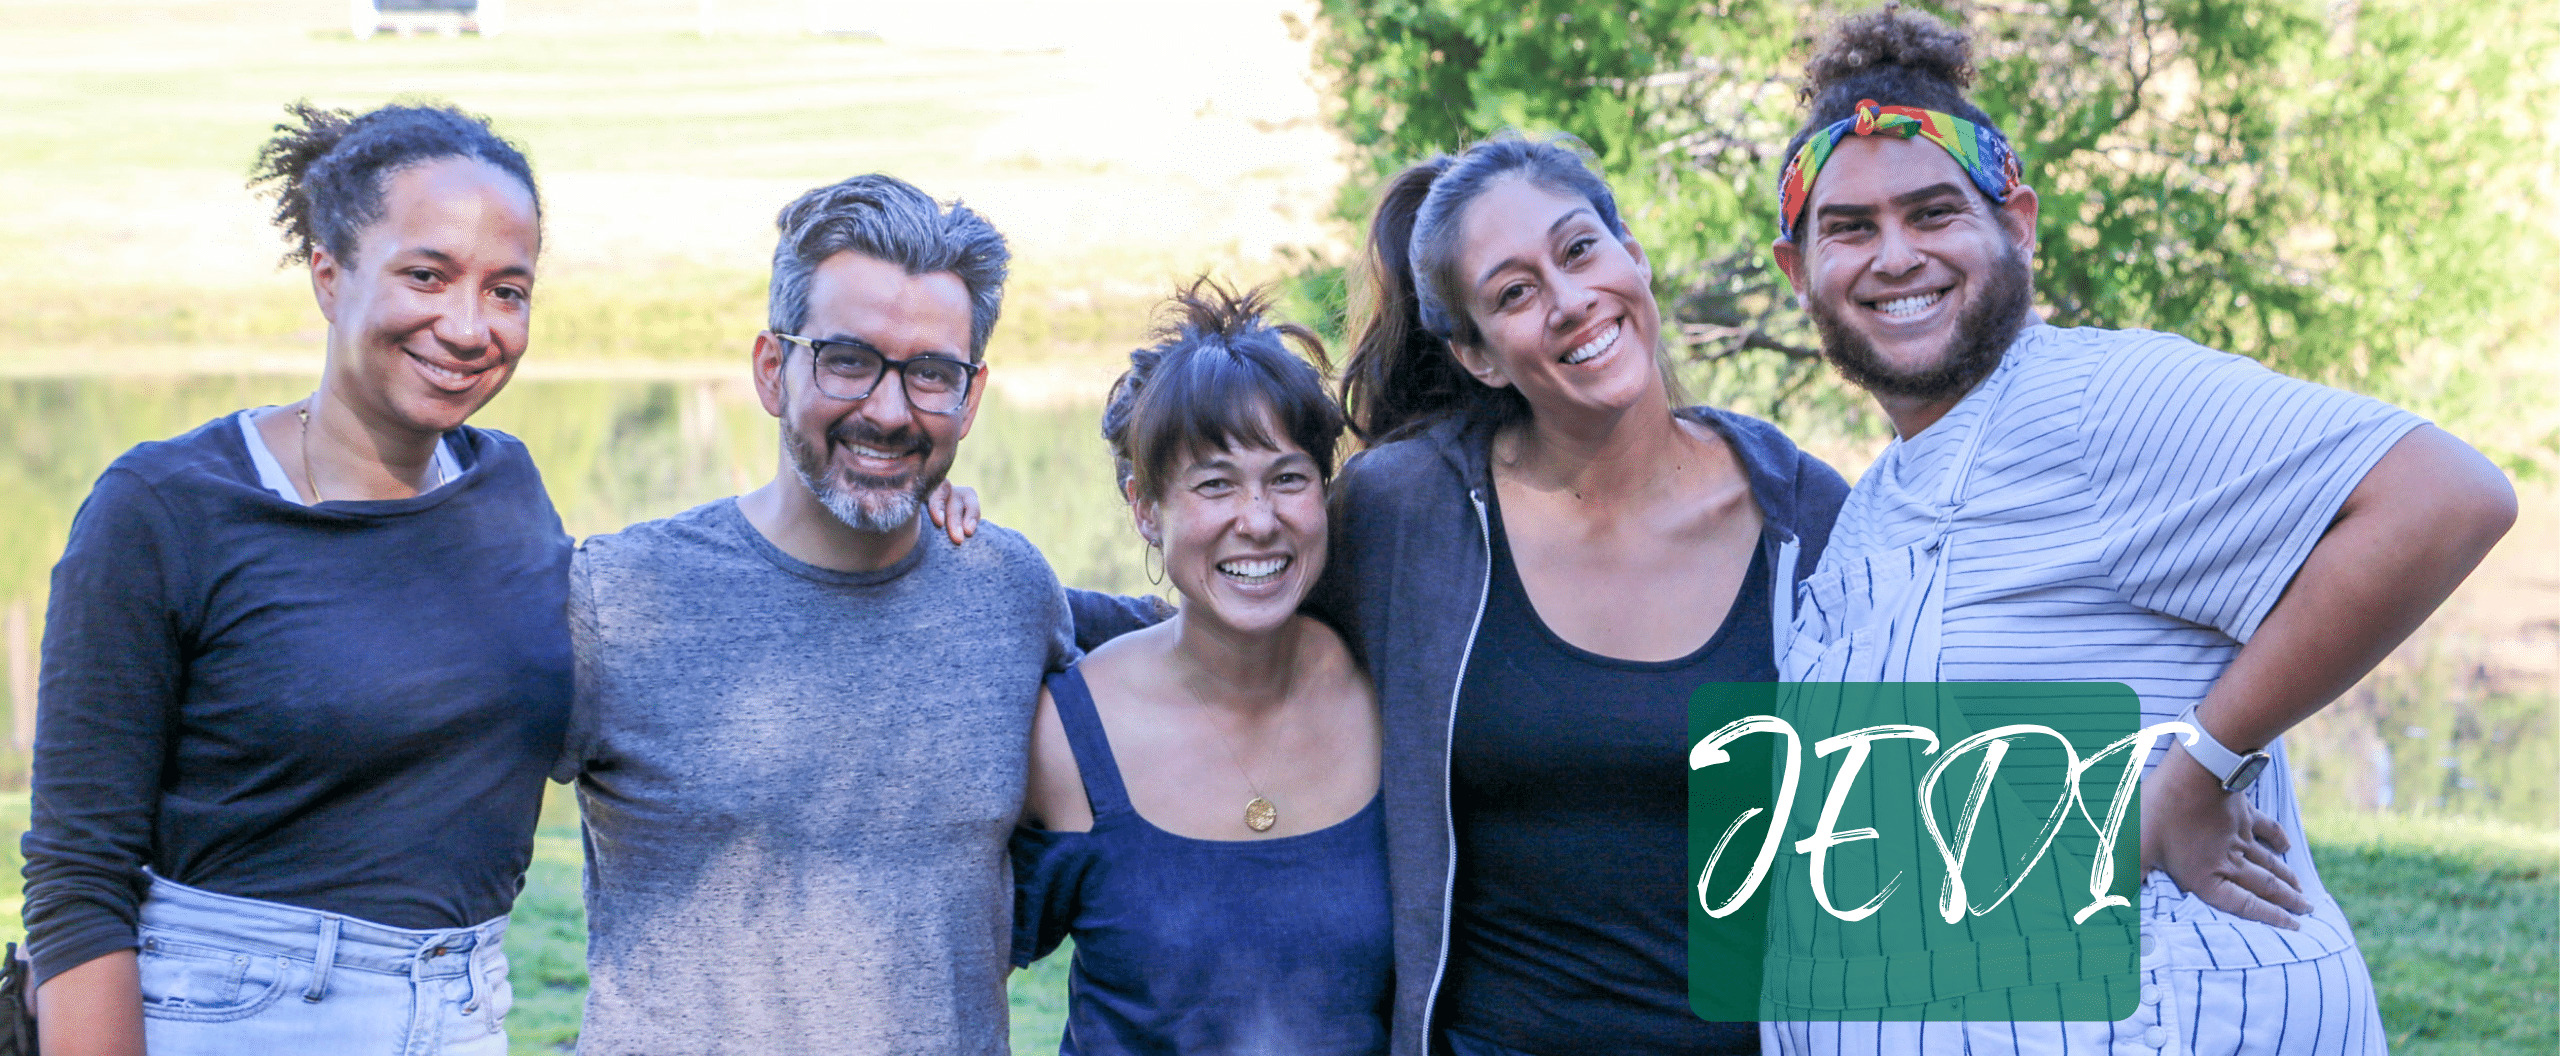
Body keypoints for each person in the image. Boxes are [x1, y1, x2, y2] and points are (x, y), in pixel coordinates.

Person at [1760, 8, 2517, 1053]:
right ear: (1797, 270)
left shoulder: (2089, 400)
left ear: (2017, 223)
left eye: (1933, 213)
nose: (1895, 256)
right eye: (1849, 228)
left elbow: (2444, 497)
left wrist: (2199, 768)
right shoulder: (1882, 493)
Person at [553, 173, 1150, 1056]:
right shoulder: (617, 599)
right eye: (847, 360)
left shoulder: (1010, 591)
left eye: (931, 374)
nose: (889, 410)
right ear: (772, 369)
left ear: (971, 397)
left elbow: (1190, 674)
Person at [21, 102, 564, 1056]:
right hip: (236, 1016)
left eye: (506, 290)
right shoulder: (166, 507)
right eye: (426, 276)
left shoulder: (506, 486)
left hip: (462, 1013)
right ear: (328, 275)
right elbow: (79, 875)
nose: (468, 326)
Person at [1313, 135, 1851, 1056]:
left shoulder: (1803, 518)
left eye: (1579, 250)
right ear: (1477, 355)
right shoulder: (1406, 515)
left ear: (1633, 256)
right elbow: (1241, 652)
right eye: (1514, 294)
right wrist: (1042, 607)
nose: (1569, 301)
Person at [1010, 281, 1389, 1054]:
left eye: (1288, 477)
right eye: (1215, 483)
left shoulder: (1391, 694)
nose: (1259, 520)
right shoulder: (1068, 735)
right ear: (1145, 507)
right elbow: (942, 962)